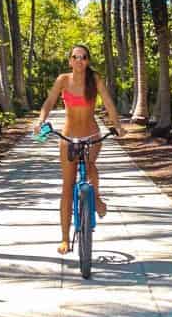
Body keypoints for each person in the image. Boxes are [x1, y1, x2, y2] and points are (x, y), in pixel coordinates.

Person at [35, 44, 122, 254]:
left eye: (83, 57)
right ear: (69, 61)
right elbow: (48, 103)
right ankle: (65, 239)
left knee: (90, 165)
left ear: (88, 61)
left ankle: (97, 198)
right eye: (75, 57)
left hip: (91, 135)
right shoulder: (63, 80)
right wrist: (40, 121)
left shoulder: (95, 80)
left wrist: (117, 125)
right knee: (67, 187)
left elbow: (109, 104)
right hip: (68, 137)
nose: (79, 61)